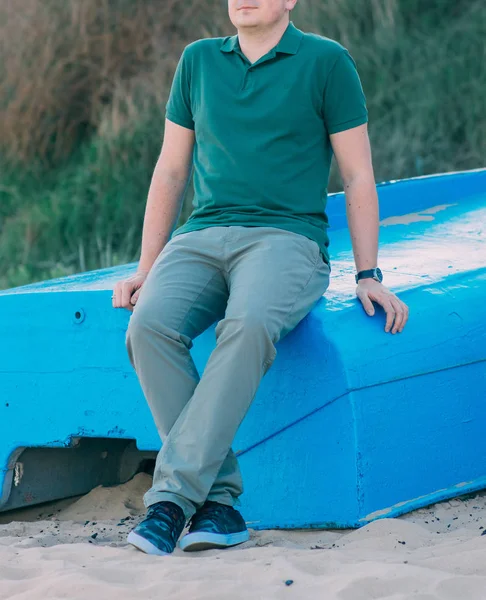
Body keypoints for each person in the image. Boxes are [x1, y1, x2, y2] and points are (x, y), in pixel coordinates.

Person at [112, 0, 409, 557]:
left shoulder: (327, 62)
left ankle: (172, 499)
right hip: (201, 236)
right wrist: (146, 268)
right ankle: (218, 503)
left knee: (246, 325)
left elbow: (357, 172)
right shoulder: (198, 61)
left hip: (287, 239)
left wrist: (368, 272)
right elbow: (172, 169)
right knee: (147, 325)